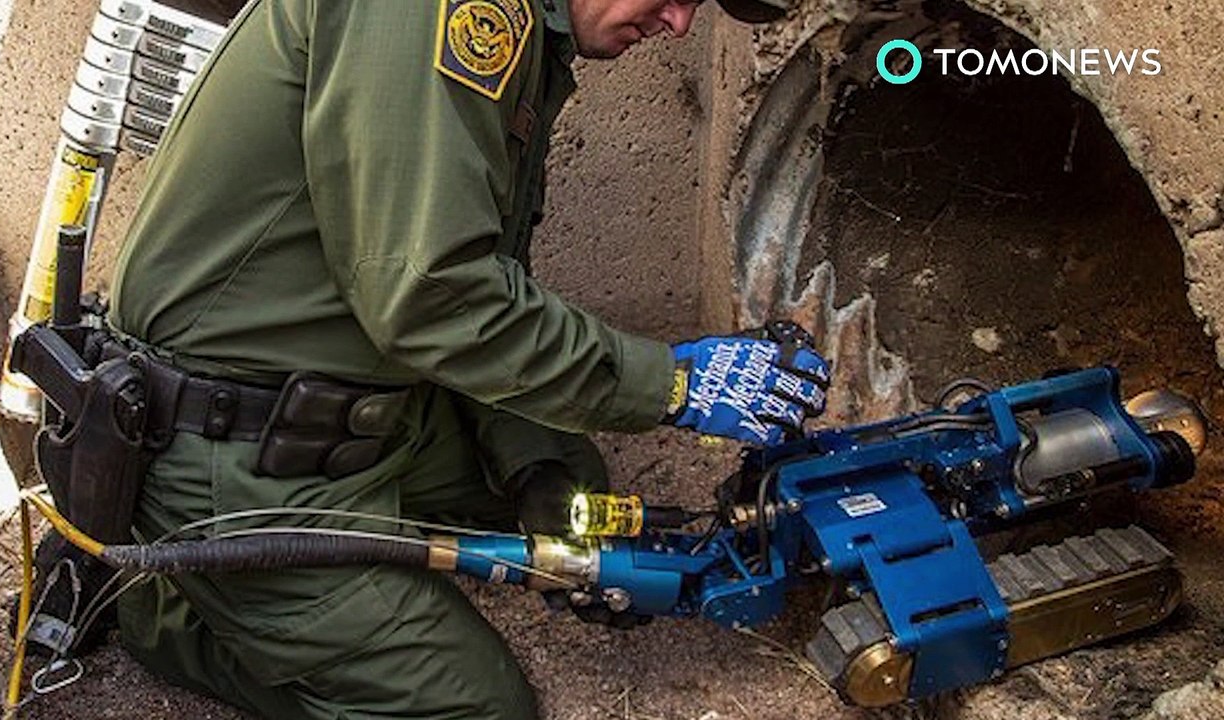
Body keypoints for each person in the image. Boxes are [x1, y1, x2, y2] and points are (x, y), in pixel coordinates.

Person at [106, 0, 827, 717]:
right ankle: (170, 611)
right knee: (477, 709)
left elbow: (482, 282)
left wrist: (535, 466)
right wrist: (670, 383)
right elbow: (428, 296)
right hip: (227, 445)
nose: (679, 23)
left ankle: (271, 583)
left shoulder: (527, 35)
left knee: (574, 496)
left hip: (347, 396)